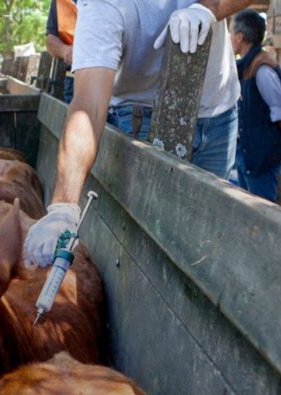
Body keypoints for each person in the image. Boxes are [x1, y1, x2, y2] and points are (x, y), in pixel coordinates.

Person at [24, 0, 256, 268]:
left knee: (210, 236)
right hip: (141, 116)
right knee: (156, 244)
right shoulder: (101, 6)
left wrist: (209, 8)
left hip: (219, 111)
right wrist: (63, 206)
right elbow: (88, 106)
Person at [231, 9, 281, 202]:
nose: (230, 38)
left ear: (240, 37)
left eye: (231, 33)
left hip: (262, 159)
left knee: (264, 216)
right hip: (248, 156)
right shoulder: (246, 65)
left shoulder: (262, 69)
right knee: (247, 215)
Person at [45, 0, 77, 103]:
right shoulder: (59, 2)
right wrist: (66, 51)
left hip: (114, 80)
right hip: (73, 80)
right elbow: (50, 41)